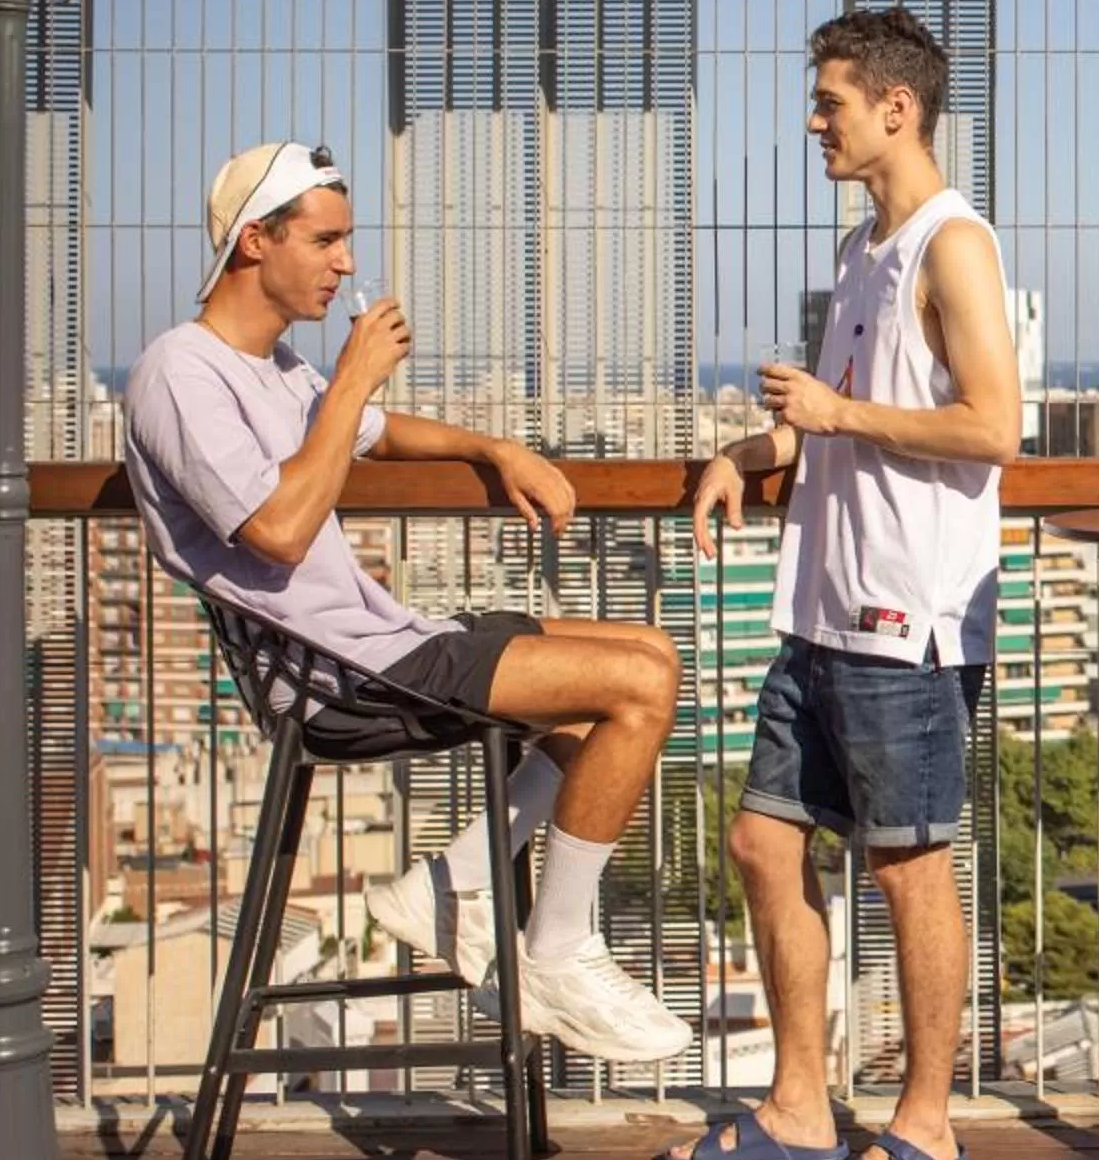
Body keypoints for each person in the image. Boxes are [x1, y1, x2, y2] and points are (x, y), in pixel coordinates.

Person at [121, 139, 692, 1067]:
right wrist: (350, 379)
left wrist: (497, 450)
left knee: (652, 656)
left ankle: (453, 881)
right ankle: (555, 953)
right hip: (335, 680)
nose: (347, 264)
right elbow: (278, 532)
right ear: (256, 242)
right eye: (328, 241)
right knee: (635, 690)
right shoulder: (179, 375)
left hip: (381, 645)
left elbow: (381, 437)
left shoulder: (277, 371)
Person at [663, 8, 1019, 1160]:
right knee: (765, 841)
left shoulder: (951, 246)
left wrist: (827, 414)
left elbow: (992, 426)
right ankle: (800, 1105)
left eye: (829, 101)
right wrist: (750, 448)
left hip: (903, 617)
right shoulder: (869, 250)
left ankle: (927, 1121)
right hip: (818, 611)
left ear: (895, 108)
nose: (813, 120)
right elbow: (842, 410)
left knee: (908, 867)